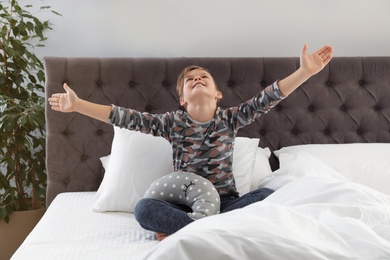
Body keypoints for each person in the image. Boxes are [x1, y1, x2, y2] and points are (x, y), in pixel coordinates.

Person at [49, 44, 333, 241]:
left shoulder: (230, 119)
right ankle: (208, 230)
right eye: (190, 79)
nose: (197, 79)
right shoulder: (172, 123)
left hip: (226, 205)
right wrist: (78, 105)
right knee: (143, 209)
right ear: (182, 99)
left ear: (218, 94)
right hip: (183, 207)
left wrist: (305, 72)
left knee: (268, 196)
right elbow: (125, 117)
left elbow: (269, 97)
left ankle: (188, 232)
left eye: (203, 77)